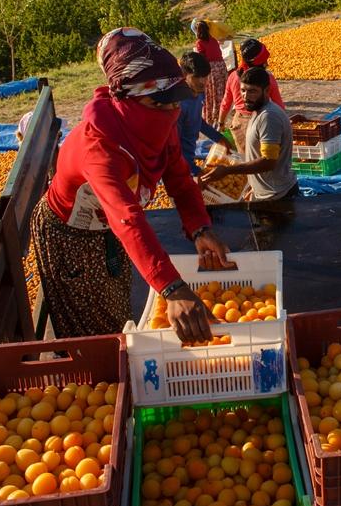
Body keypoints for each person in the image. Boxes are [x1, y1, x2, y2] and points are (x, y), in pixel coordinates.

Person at [30, 27, 230, 343]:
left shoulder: (162, 123)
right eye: (159, 103)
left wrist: (199, 229)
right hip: (72, 234)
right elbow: (127, 218)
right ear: (127, 100)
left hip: (111, 226)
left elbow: (179, 178)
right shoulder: (100, 148)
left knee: (117, 304)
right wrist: (173, 288)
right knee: (93, 322)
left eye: (173, 103)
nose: (169, 112)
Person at [199, 66, 299, 201]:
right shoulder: (258, 111)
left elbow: (269, 162)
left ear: (267, 91)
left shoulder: (268, 117)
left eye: (252, 91)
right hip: (265, 192)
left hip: (276, 196)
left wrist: (227, 170)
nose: (246, 96)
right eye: (243, 91)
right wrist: (252, 185)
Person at [218, 39, 286, 150]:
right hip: (263, 120)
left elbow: (226, 102)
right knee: (264, 158)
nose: (267, 63)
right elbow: (279, 105)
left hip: (240, 123)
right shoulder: (267, 78)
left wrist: (221, 123)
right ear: (258, 62)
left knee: (246, 159)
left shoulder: (233, 76)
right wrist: (284, 123)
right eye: (264, 61)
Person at [177, 52, 231, 176]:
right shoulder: (178, 106)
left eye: (205, 76)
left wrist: (218, 138)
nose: (203, 82)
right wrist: (191, 169)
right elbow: (174, 146)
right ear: (185, 75)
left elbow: (197, 121)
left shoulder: (200, 92)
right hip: (181, 163)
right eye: (197, 77)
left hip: (190, 154)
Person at [194, 20, 228, 126]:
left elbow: (202, 58)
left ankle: (213, 117)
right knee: (220, 92)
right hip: (221, 67)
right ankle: (221, 114)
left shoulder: (199, 42)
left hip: (212, 69)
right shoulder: (213, 39)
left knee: (211, 94)